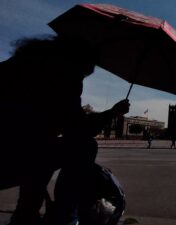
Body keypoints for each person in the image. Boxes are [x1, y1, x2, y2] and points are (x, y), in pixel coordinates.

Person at [0, 35, 130, 225]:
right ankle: (63, 217)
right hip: (13, 160)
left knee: (39, 145)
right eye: (84, 73)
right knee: (82, 146)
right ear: (75, 62)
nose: (82, 78)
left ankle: (26, 213)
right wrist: (112, 112)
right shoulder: (62, 78)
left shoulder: (15, 67)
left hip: (15, 153)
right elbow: (78, 129)